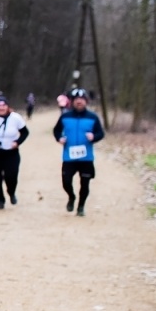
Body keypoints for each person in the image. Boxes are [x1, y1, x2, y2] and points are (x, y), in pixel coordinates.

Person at [53, 87, 104, 216]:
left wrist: (94, 137)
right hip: (69, 156)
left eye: (81, 99)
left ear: (86, 101)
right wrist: (59, 138)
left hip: (86, 157)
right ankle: (71, 197)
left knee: (85, 183)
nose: (79, 102)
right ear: (72, 101)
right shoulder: (65, 117)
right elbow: (56, 130)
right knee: (66, 182)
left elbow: (100, 133)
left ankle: (81, 206)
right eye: (76, 100)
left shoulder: (93, 117)